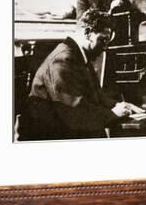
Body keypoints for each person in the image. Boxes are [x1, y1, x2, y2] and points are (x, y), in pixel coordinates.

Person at [17, 9, 137, 140]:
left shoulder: (78, 56)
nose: (105, 47)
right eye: (103, 40)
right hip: (51, 136)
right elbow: (75, 112)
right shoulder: (63, 60)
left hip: (65, 129)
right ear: (88, 33)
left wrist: (118, 105)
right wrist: (113, 114)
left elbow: (96, 97)